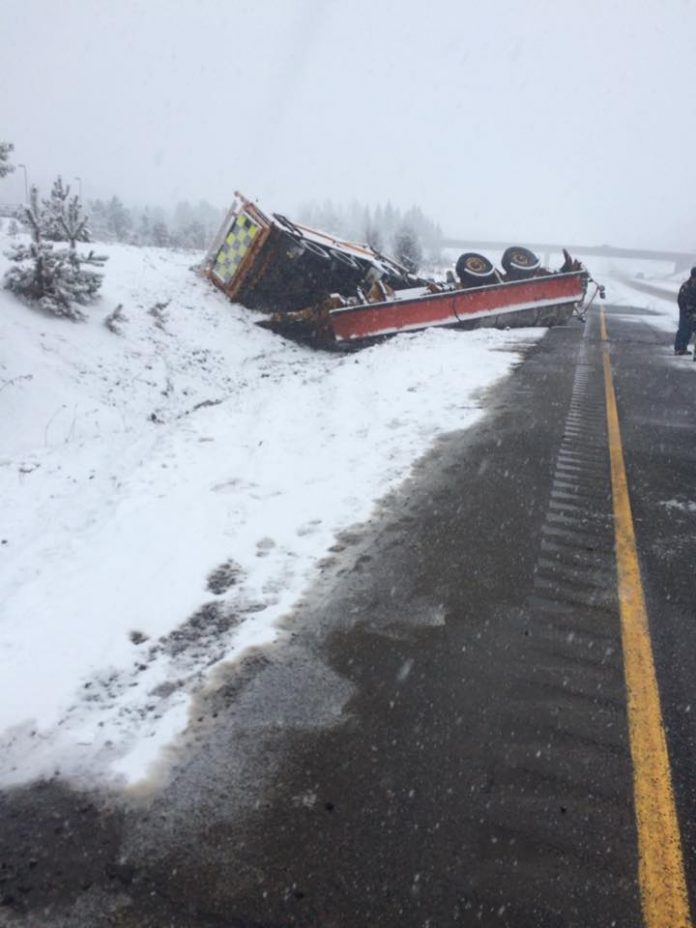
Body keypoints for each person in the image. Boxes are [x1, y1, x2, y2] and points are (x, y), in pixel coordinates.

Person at [674, 267, 696, 355]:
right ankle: (679, 348)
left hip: (694, 312)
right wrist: (687, 310)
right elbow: (681, 300)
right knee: (684, 329)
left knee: (690, 331)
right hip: (685, 312)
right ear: (692, 277)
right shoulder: (686, 286)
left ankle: (684, 347)